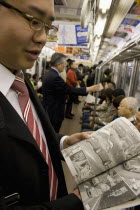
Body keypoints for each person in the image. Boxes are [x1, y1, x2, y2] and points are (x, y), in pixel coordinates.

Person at [0, 0, 92, 209]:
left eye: (48, 26)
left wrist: (62, 142)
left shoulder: (19, 80)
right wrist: (77, 201)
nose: (42, 38)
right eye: (33, 20)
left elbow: (28, 137)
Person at [42, 53, 100, 132]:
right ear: (59, 65)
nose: (65, 67)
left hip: (49, 108)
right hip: (54, 111)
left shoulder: (49, 73)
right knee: (53, 132)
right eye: (64, 65)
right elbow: (69, 89)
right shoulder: (55, 77)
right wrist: (89, 89)